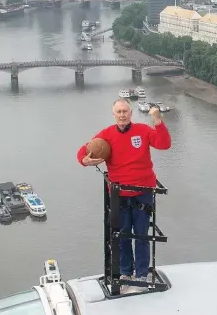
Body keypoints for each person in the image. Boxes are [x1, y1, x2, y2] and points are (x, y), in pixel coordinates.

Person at [76, 98, 171, 292]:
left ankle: (142, 275)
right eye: (118, 112)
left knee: (142, 235)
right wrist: (84, 160)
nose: (122, 115)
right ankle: (126, 273)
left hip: (142, 192)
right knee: (122, 236)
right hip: (120, 194)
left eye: (125, 111)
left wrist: (158, 121)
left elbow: (164, 144)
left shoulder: (143, 131)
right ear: (114, 114)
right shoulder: (107, 135)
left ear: (131, 113)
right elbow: (84, 150)